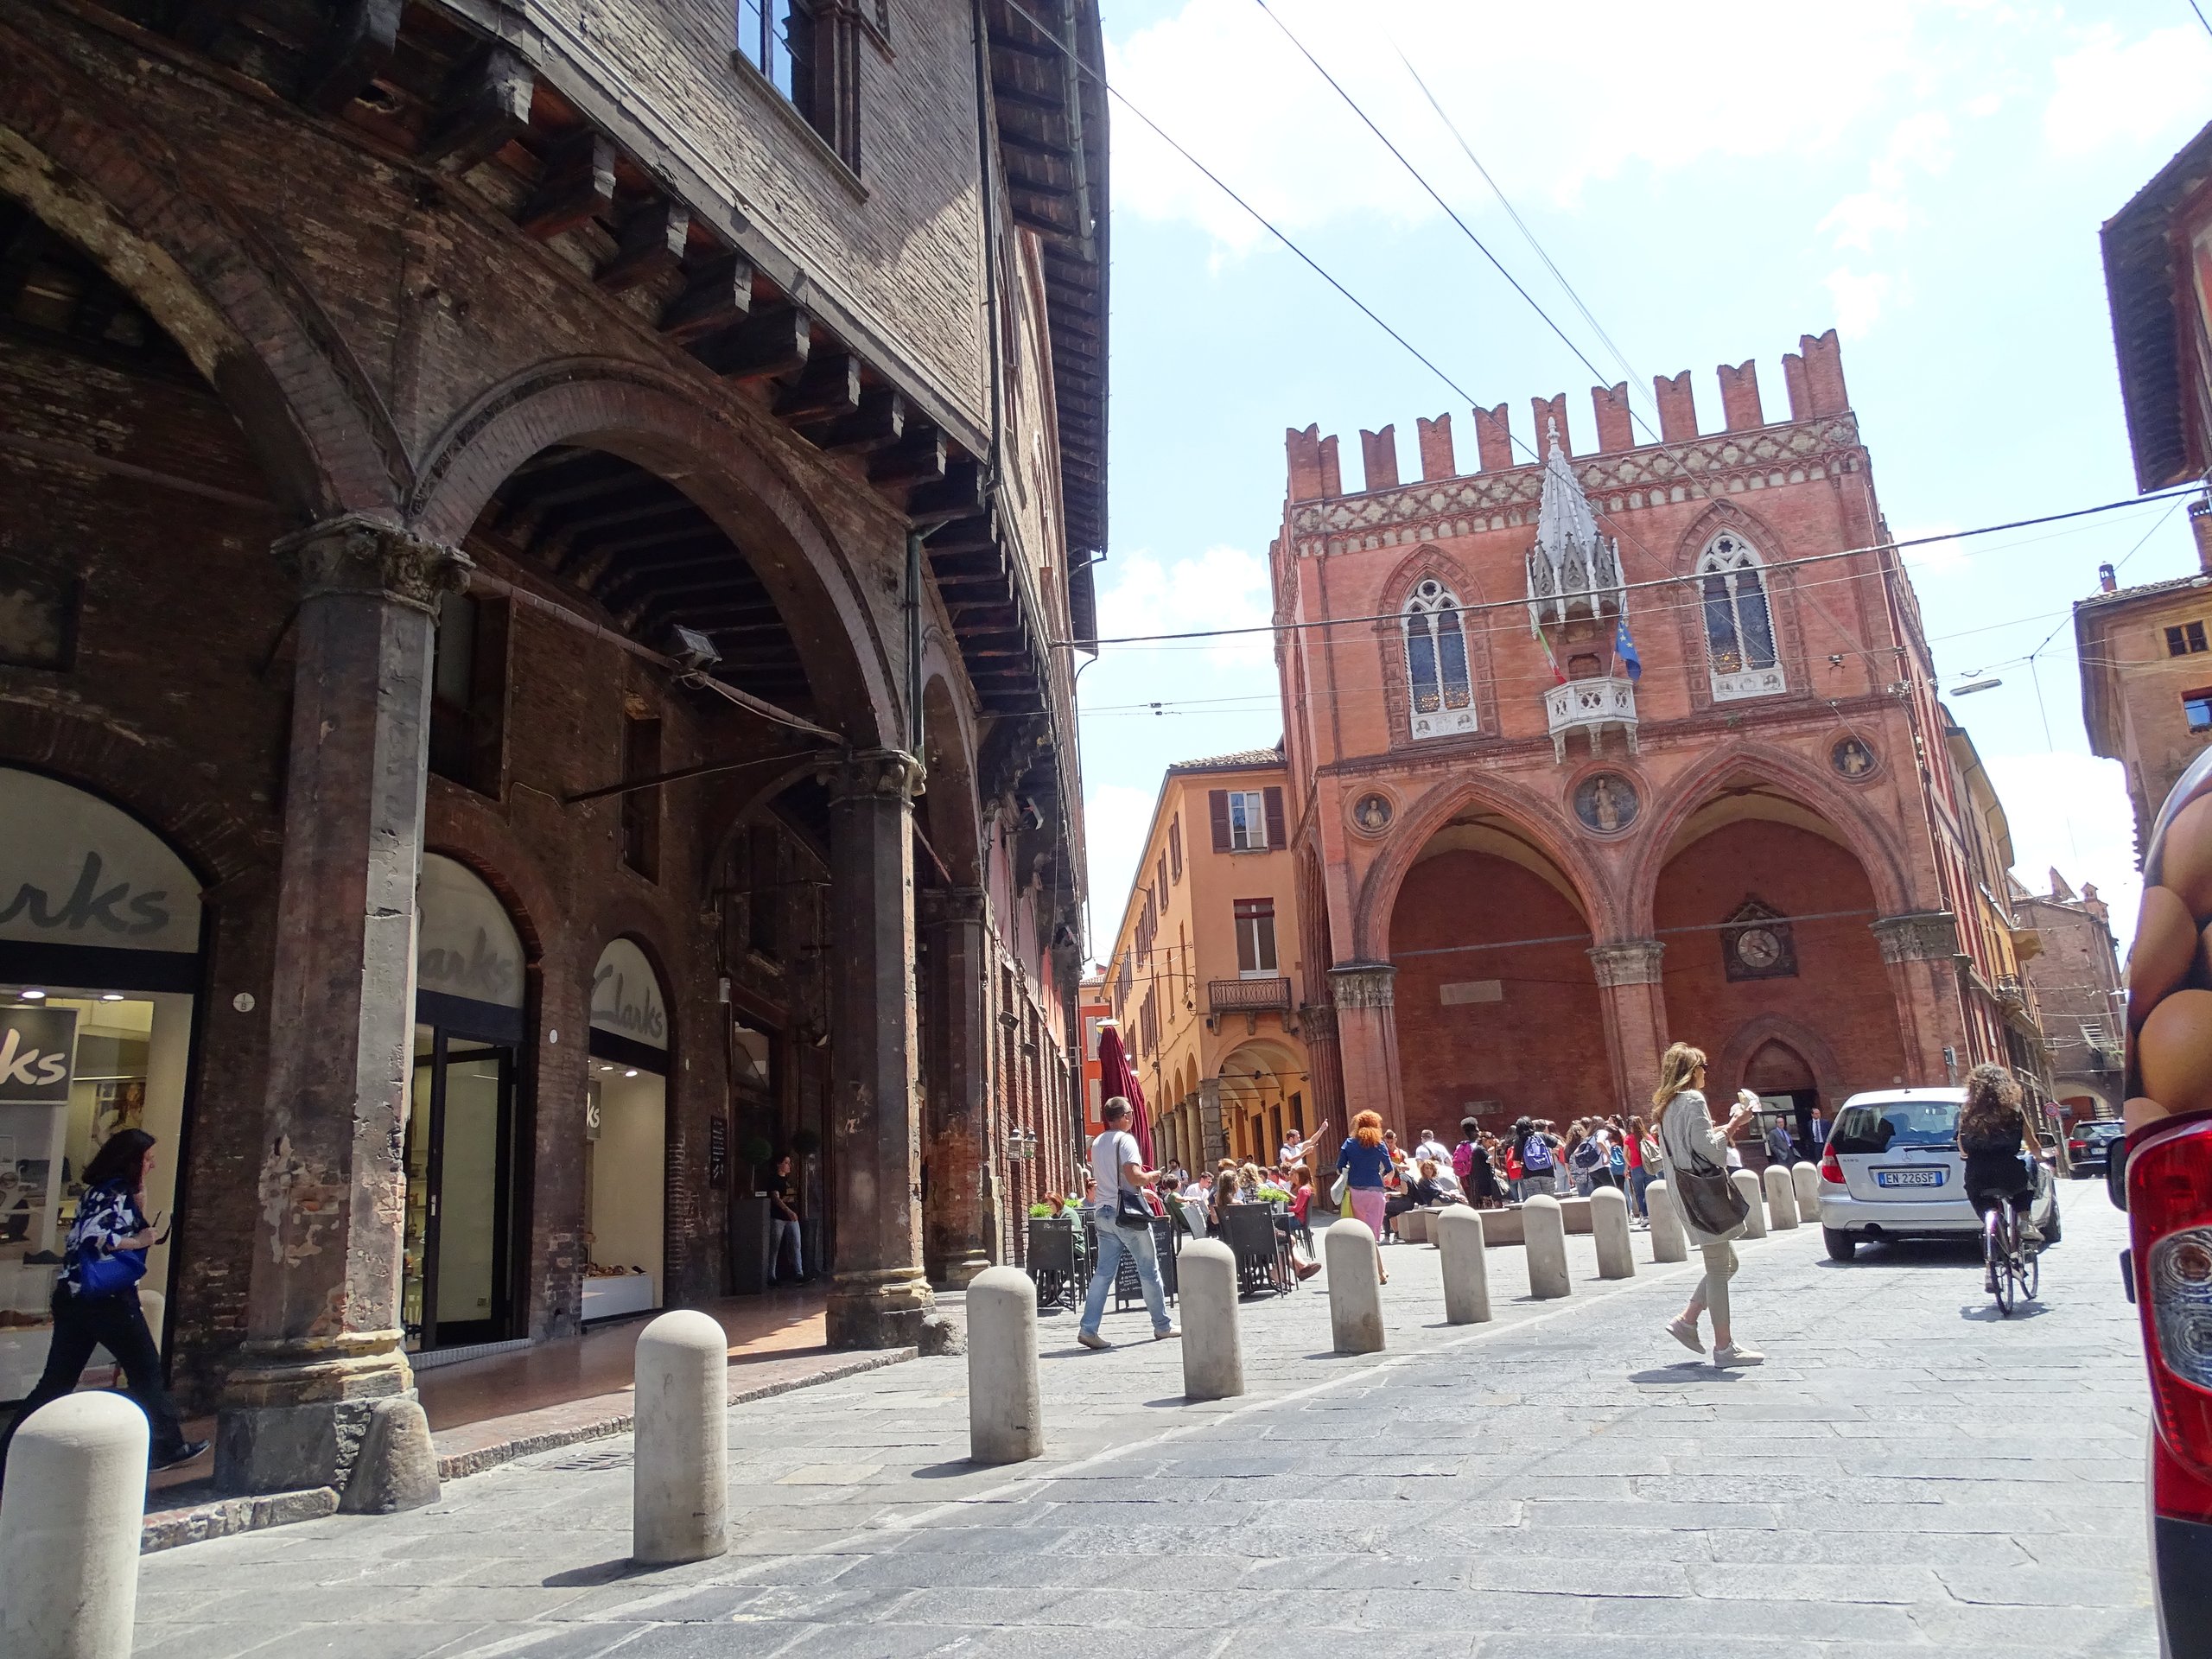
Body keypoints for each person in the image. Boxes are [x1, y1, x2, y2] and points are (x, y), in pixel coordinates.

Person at [0, 1129, 207, 1488]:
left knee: (57, 1381)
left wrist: (140, 1202)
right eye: (147, 1159)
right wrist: (139, 1240)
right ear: (131, 1161)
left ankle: (8, 1453)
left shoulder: (99, 1191)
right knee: (146, 1371)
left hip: (74, 1296)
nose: (152, 1164)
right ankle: (167, 1447)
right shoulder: (114, 1193)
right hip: (108, 1299)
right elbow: (94, 1237)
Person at [1652, 1046, 1764, 1366]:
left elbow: (1690, 1146)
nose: (1706, 1072)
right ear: (1692, 1070)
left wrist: (1722, 1128)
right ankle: (1724, 1348)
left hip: (1684, 1191)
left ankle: (1687, 1320)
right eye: (1704, 1066)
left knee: (1729, 1263)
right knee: (1718, 1269)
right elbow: (1710, 1152)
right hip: (1702, 1193)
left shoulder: (1667, 1105)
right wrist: (1735, 1123)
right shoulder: (1693, 1100)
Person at [1077, 1097, 1179, 1350]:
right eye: (1131, 1113)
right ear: (1124, 1116)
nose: (1132, 1117)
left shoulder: (1098, 1142)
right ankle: (1162, 1326)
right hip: (1126, 1216)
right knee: (1149, 1269)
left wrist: (1140, 1191)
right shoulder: (1126, 1140)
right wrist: (1152, 1177)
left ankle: (1088, 1329)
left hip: (1103, 1213)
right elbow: (1133, 1176)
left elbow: (1111, 1180)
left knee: (1103, 1274)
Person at [1958, 1062, 2047, 1276]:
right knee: (2024, 1185)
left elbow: (1962, 1146)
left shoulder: (1967, 1111)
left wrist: (1968, 1153)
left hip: (1977, 1173)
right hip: (2008, 1171)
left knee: (1980, 1201)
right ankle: (2025, 1222)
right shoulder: (2013, 1110)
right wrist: (2041, 1156)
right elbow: (2033, 1144)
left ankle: (1993, 1247)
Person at [1337, 1110, 1396, 1283]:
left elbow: (1340, 1167)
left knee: (1363, 1233)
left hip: (1356, 1192)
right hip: (1376, 1192)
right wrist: (1385, 1177)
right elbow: (1389, 1168)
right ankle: (1379, 1272)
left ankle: (1379, 1270)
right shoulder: (1379, 1144)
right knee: (1372, 1235)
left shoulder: (1349, 1143)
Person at [768, 1153, 805, 1284]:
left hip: (792, 1218)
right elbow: (776, 1198)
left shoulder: (790, 1181)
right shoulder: (774, 1180)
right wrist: (788, 1211)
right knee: (775, 1246)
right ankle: (771, 1275)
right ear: (779, 1164)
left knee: (796, 1244)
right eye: (786, 1162)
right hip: (779, 1217)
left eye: (789, 1163)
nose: (789, 1165)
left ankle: (799, 1273)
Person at [1626, 1114, 1655, 1223]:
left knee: (1639, 1193)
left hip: (1636, 1168)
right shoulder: (1648, 1137)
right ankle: (1652, 1214)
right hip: (1649, 1167)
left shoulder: (1629, 1138)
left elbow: (1625, 1155)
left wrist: (1630, 1164)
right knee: (1650, 1191)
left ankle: (1645, 1216)